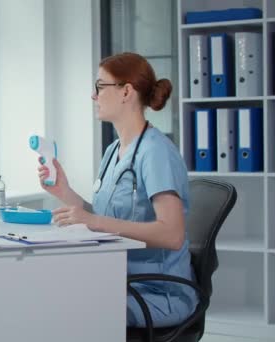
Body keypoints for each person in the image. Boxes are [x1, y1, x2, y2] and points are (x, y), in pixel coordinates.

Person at [38, 52, 198, 328]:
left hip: (157, 293)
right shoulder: (114, 151)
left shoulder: (155, 151)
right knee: (48, 295)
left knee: (66, 310)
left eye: (100, 86)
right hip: (119, 281)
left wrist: (93, 221)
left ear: (126, 92)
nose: (93, 95)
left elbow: (172, 235)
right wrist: (65, 191)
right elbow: (100, 217)